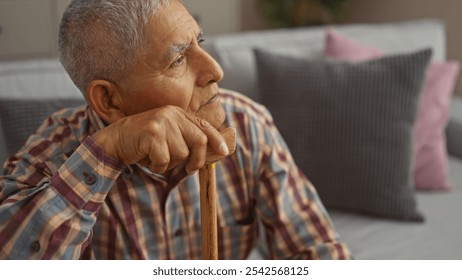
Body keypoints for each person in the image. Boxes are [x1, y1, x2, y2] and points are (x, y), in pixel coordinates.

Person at [0, 0, 351, 260]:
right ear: (108, 99)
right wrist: (110, 150)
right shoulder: (49, 158)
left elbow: (318, 252)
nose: (215, 70)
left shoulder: (247, 124)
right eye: (178, 59)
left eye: (200, 42)